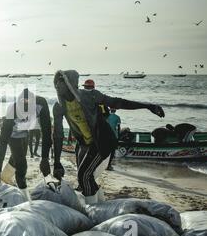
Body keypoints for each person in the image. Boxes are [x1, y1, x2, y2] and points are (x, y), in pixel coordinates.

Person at [53, 70, 164, 204]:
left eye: (61, 82)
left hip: (102, 141)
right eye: (56, 83)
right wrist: (57, 162)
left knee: (84, 176)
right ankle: (100, 206)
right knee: (86, 178)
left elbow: (117, 102)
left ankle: (91, 212)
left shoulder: (91, 96)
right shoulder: (59, 106)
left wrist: (148, 106)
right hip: (85, 144)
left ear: (71, 83)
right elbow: (58, 135)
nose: (57, 86)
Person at [0, 89, 52, 200]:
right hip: (13, 135)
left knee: (16, 158)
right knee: (22, 165)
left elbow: (47, 133)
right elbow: (2, 143)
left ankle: (5, 177)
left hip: (25, 132)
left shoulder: (41, 104)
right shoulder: (12, 110)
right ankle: (24, 196)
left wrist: (45, 158)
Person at [52, 102, 65, 178]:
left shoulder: (57, 105)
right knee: (57, 152)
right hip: (58, 133)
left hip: (58, 132)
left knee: (57, 154)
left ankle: (57, 167)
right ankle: (57, 168)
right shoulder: (58, 105)